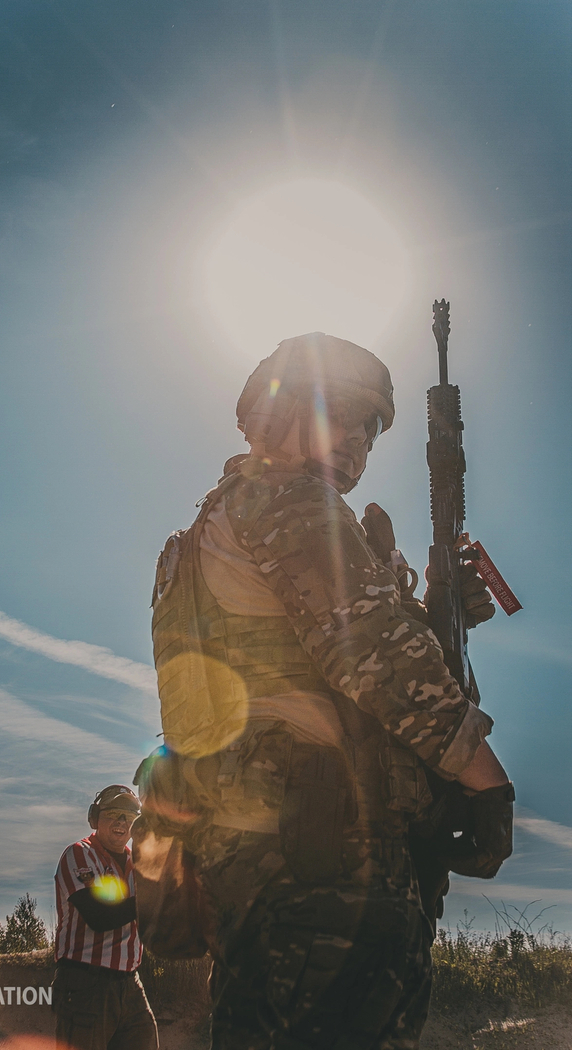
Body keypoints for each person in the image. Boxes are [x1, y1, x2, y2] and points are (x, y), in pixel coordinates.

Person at [136, 332, 514, 1049]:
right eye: (339, 413)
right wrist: (487, 783)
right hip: (323, 864)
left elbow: (314, 661)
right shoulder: (288, 499)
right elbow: (376, 658)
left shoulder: (220, 523)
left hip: (270, 859)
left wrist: (433, 609)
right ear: (274, 413)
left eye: (370, 428)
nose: (357, 441)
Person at [53, 784, 158, 1050]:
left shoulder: (140, 863)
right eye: (113, 813)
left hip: (130, 982)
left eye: (129, 815)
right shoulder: (79, 854)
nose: (122, 822)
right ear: (94, 818)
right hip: (85, 983)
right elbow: (98, 916)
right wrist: (154, 897)